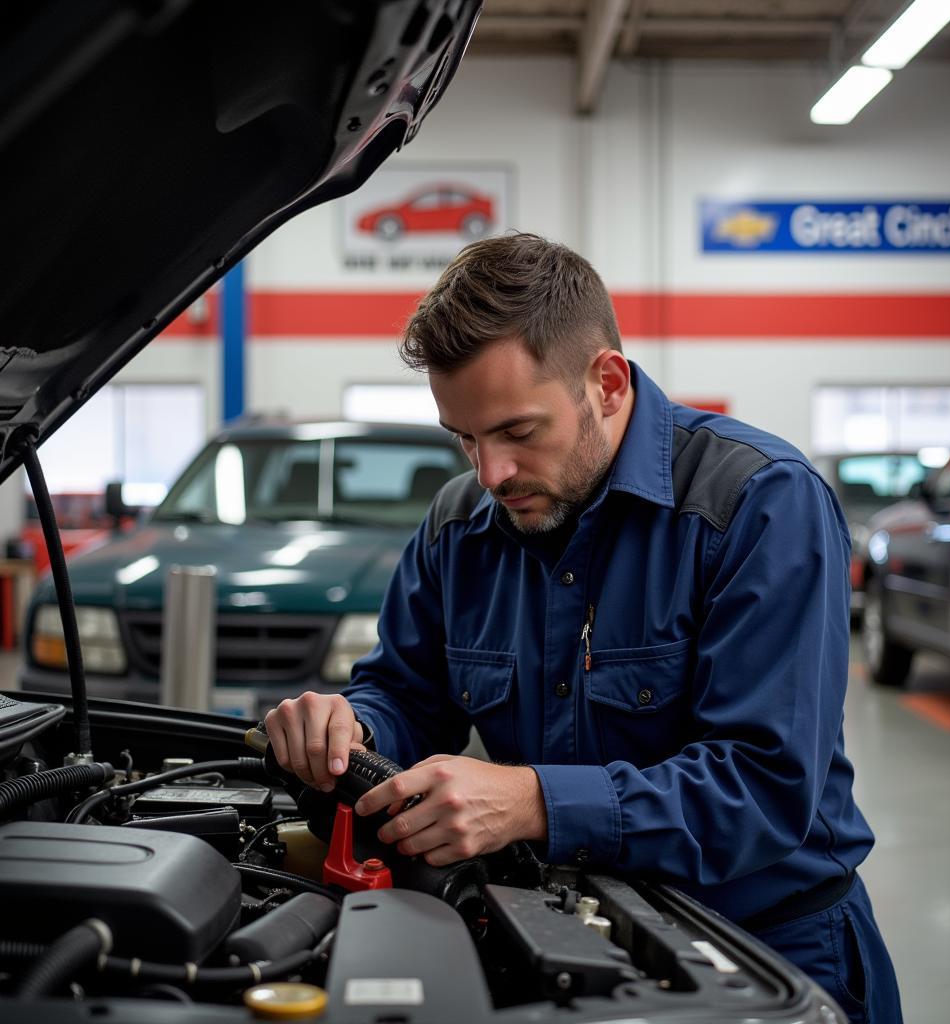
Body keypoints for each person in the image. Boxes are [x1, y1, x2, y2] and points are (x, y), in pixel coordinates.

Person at [264, 232, 902, 1022]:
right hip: (563, 932)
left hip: (768, 953)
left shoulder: (759, 504)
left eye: (518, 432)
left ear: (606, 382)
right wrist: (350, 726)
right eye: (465, 438)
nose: (489, 473)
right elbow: (406, 694)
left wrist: (536, 802)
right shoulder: (460, 524)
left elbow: (764, 790)